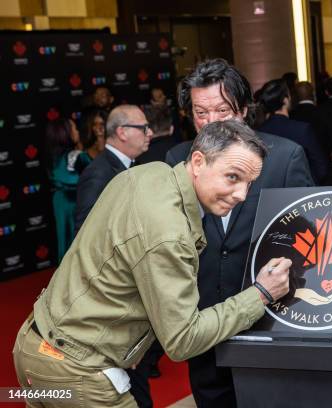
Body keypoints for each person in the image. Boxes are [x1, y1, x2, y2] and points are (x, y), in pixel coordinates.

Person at [13, 120, 292, 407]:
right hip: (77, 373)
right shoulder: (170, 234)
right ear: (198, 162)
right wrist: (260, 294)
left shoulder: (151, 172)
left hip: (34, 349)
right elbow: (183, 339)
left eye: (249, 183)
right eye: (233, 177)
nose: (242, 195)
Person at [165, 58, 313, 408]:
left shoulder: (284, 157)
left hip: (269, 318)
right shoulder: (178, 159)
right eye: (201, 113)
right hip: (204, 320)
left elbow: (308, 238)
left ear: (244, 110)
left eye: (222, 110)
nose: (210, 122)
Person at [75, 105, 153, 233]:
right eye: (144, 128)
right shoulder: (97, 174)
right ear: (122, 133)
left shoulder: (135, 164)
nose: (150, 133)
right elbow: (85, 233)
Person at [257, 78, 328, 184]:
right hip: (298, 191)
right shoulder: (302, 129)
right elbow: (320, 167)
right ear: (286, 100)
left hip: (269, 193)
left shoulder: (259, 131)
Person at [45, 117, 81, 261]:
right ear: (65, 133)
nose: (78, 131)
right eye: (74, 128)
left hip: (67, 201)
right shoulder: (67, 157)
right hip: (69, 203)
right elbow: (71, 180)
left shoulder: (60, 155)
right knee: (69, 243)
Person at [75, 109, 107, 173]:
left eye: (102, 124)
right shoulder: (85, 146)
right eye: (95, 124)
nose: (98, 127)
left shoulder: (115, 146)